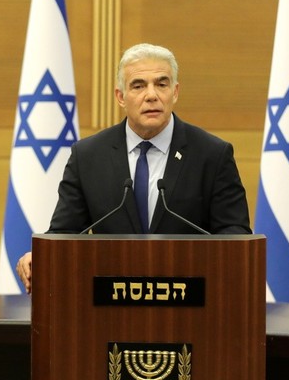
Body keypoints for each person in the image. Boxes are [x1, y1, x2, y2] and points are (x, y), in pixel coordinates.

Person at [15, 43, 250, 292]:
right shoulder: (88, 156)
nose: (151, 95)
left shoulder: (212, 155)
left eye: (162, 84)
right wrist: (42, 254)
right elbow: (66, 232)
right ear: (120, 96)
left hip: (191, 302)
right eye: (138, 86)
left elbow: (235, 235)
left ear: (175, 92)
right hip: (111, 304)